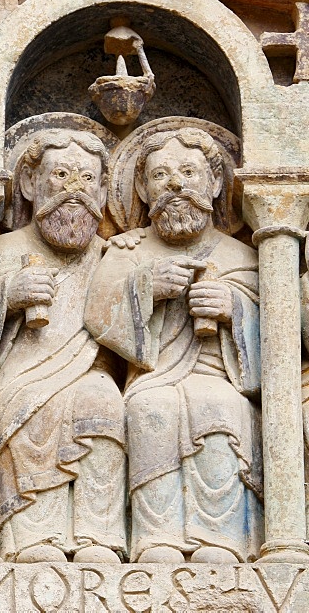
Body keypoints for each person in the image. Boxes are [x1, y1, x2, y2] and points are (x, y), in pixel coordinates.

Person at [85, 127, 262, 564]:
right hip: (153, 377)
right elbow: (98, 315)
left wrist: (235, 309)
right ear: (142, 189)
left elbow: (278, 339)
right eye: (160, 175)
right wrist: (147, 286)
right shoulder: (127, 251)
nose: (176, 185)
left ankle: (222, 540)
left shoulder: (242, 256)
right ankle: (155, 536)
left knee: (220, 408)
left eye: (189, 172)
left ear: (216, 183)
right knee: (151, 410)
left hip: (222, 379)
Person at [0, 129, 126, 564]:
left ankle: (98, 535)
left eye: (87, 180)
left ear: (104, 191)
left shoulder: (113, 254)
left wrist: (138, 275)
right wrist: (6, 297)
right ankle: (34, 535)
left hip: (90, 375)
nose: (74, 190)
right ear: (30, 185)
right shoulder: (0, 251)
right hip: (16, 377)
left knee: (103, 401)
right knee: (29, 407)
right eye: (61, 175)